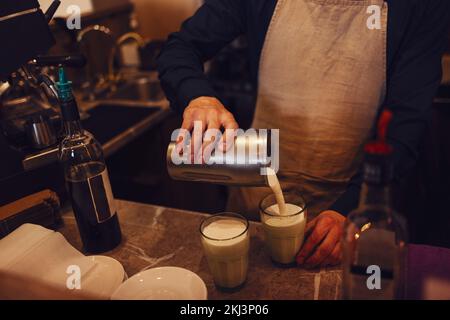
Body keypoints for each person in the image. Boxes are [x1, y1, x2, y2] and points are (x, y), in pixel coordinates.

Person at [157, 0, 450, 268]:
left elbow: (404, 127)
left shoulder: (422, 6)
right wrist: (198, 98)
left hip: (349, 212)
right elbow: (180, 48)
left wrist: (350, 211)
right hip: (255, 205)